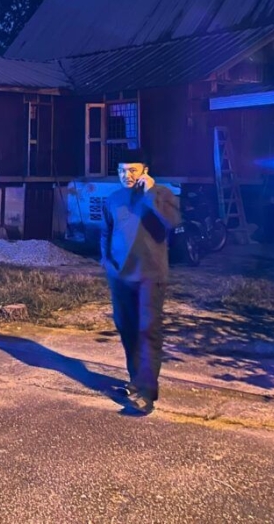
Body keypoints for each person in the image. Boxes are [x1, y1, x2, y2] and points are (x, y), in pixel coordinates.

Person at [100, 148, 180, 415]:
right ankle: (136, 381)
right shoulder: (113, 199)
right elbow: (106, 233)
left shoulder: (163, 194)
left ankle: (146, 393)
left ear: (145, 171)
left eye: (132, 170)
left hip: (150, 276)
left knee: (148, 330)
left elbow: (171, 222)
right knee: (127, 329)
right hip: (120, 276)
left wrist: (151, 192)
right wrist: (108, 264)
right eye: (122, 170)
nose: (126, 175)